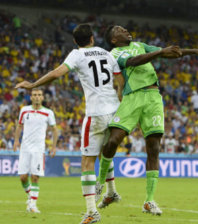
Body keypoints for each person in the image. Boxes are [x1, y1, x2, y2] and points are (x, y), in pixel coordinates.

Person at [97, 25, 198, 215]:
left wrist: (193, 51)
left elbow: (169, 53)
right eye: (120, 30)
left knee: (153, 148)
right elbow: (133, 62)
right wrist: (160, 51)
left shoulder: (141, 45)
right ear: (113, 39)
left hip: (153, 98)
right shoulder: (114, 53)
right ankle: (100, 183)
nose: (126, 30)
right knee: (113, 140)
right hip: (132, 98)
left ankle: (149, 201)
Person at [15, 24, 125, 224]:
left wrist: (32, 85)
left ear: (76, 41)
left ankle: (92, 211)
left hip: (96, 113)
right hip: (115, 111)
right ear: (92, 38)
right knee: (105, 154)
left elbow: (57, 74)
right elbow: (120, 82)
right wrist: (119, 104)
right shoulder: (107, 54)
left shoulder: (77, 54)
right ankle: (111, 191)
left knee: (87, 162)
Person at [13, 88, 58, 213]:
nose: (37, 97)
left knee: (35, 177)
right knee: (23, 177)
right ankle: (30, 196)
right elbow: (19, 126)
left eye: (39, 95)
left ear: (43, 97)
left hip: (39, 149)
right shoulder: (24, 110)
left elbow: (55, 129)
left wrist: (54, 147)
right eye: (34, 95)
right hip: (25, 148)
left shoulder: (48, 113)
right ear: (31, 97)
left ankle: (32, 205)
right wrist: (16, 141)